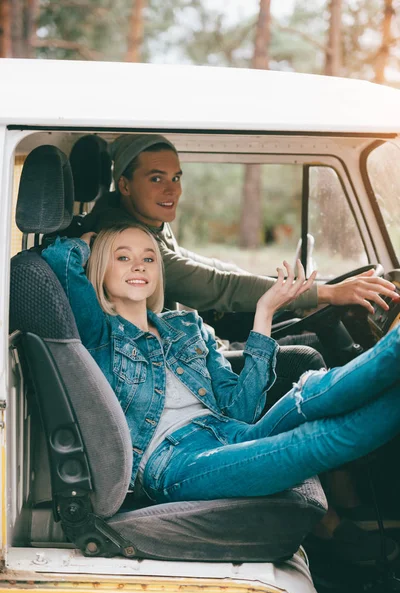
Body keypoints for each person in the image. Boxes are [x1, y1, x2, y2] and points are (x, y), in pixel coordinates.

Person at [42, 224, 400, 564]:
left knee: (308, 392)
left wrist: (265, 312)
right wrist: (87, 241)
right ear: (101, 268)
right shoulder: (99, 333)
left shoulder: (187, 326)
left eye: (149, 258)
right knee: (315, 441)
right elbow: (60, 259)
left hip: (228, 432)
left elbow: (241, 410)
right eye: (122, 257)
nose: (139, 265)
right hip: (172, 462)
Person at [82, 133, 399, 317]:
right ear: (124, 185)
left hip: (179, 347)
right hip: (168, 367)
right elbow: (218, 286)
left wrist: (299, 291)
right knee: (307, 357)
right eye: (156, 178)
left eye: (176, 177)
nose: (172, 190)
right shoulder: (123, 237)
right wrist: (328, 293)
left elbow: (212, 267)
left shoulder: (145, 218)